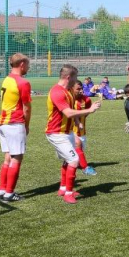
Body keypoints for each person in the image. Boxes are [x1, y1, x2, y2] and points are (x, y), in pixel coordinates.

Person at [45, 65, 102, 204]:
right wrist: (91, 109)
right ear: (69, 77)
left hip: (67, 132)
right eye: (75, 77)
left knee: (67, 160)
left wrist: (77, 122)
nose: (77, 80)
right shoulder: (57, 91)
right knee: (74, 160)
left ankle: (63, 189)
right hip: (57, 133)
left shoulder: (68, 91)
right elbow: (68, 112)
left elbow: (71, 111)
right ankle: (69, 194)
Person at [0, 53, 32, 202]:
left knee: (7, 158)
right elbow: (27, 108)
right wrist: (27, 125)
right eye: (28, 65)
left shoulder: (7, 79)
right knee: (17, 158)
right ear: (22, 64)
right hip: (14, 123)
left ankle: (1, 190)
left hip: (2, 123)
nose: (28, 68)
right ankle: (9, 193)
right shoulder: (23, 82)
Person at [71, 81, 97, 176]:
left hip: (81, 130)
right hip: (68, 129)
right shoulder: (69, 99)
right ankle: (85, 168)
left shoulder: (86, 100)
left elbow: (86, 113)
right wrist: (76, 122)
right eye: (78, 89)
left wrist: (93, 109)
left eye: (81, 88)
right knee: (78, 144)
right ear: (71, 89)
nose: (81, 91)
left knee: (76, 155)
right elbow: (70, 114)